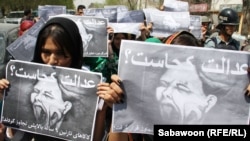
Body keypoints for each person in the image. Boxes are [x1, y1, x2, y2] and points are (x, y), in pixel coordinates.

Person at [0, 17, 123, 141]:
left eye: (60, 53)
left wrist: (105, 109)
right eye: (46, 52)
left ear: (74, 53)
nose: (52, 61)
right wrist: (9, 101)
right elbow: (16, 135)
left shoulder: (89, 86)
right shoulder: (24, 79)